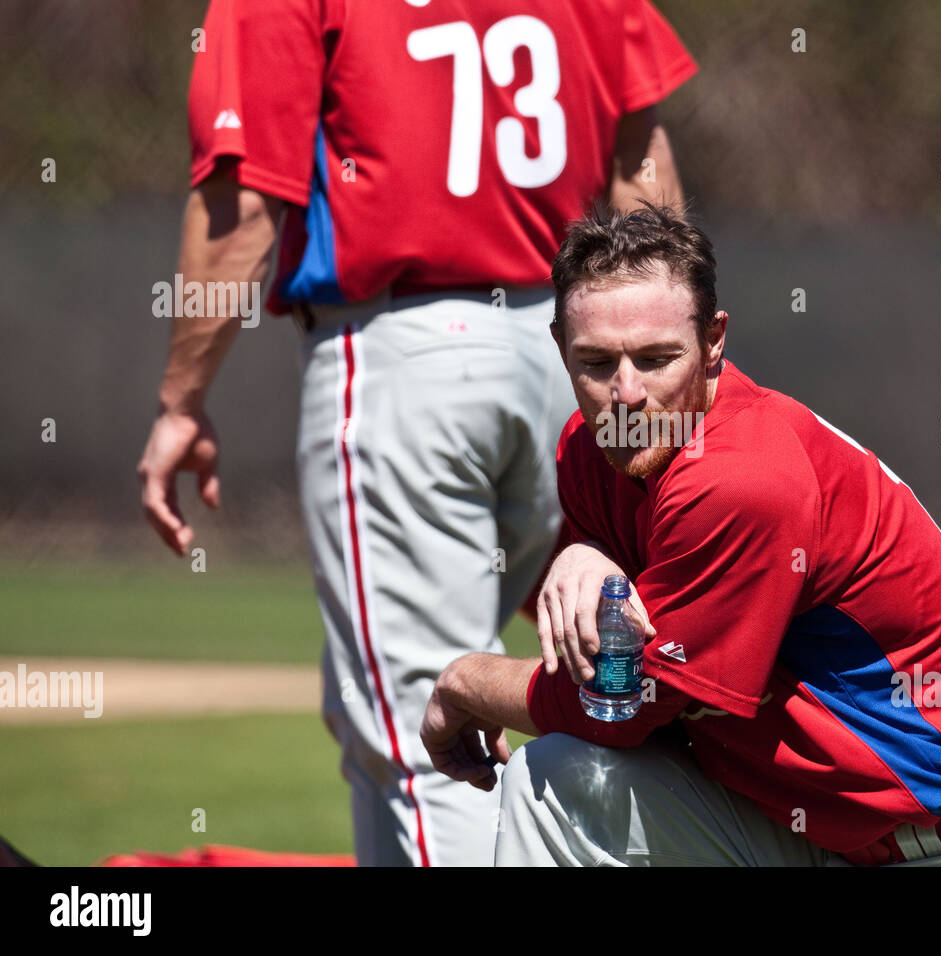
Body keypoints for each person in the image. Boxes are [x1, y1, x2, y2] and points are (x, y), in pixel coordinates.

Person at [135, 0, 696, 866]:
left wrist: (181, 400)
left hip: (406, 356)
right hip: (569, 358)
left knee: (424, 726)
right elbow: (640, 164)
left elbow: (245, 201)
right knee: (613, 688)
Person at [419, 203, 941, 866]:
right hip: (806, 837)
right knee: (558, 780)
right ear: (560, 347)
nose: (625, 395)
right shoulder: (594, 450)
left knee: (578, 749)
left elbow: (619, 707)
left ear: (714, 342)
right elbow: (613, 683)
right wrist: (588, 552)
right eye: (597, 363)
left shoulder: (740, 481)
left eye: (657, 358)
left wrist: (465, 682)